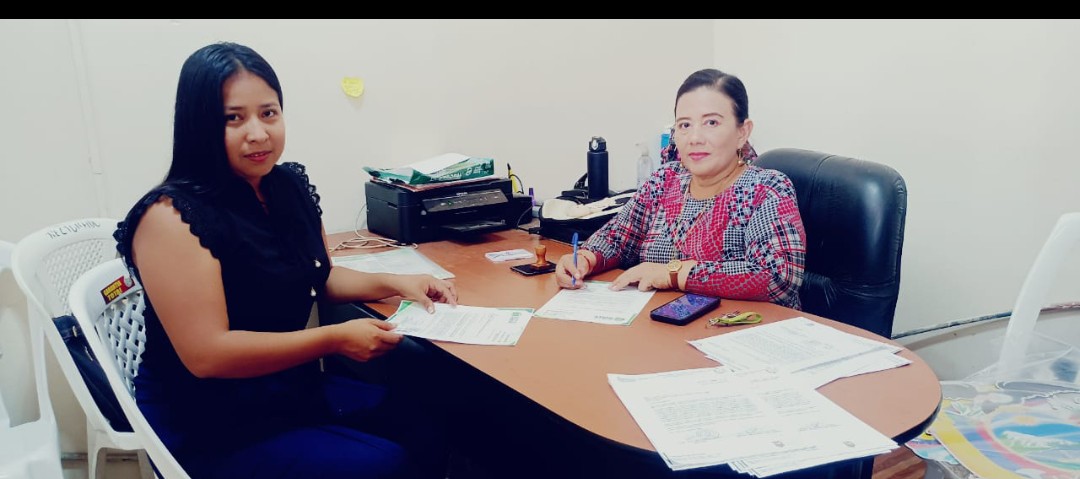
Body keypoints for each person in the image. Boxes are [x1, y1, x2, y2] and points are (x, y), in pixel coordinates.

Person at [113, 42, 457, 479]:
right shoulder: (171, 217)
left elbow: (317, 277)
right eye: (233, 118)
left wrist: (397, 282)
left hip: (285, 389)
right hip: (209, 421)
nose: (258, 133)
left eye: (269, 113)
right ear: (199, 125)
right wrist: (333, 339)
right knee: (384, 464)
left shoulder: (285, 185)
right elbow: (208, 354)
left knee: (428, 425)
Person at [554, 68, 806, 309]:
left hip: (744, 329)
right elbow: (617, 238)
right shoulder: (666, 180)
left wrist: (672, 273)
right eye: (685, 125)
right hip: (664, 326)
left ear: (742, 132)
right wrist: (584, 259)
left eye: (711, 123)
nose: (695, 138)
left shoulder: (767, 188)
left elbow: (776, 277)